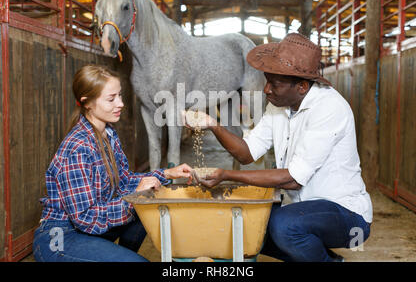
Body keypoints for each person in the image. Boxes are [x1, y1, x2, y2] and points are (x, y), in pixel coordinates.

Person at [183, 33, 372, 262]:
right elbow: (247, 153)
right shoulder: (279, 105)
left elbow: (293, 179)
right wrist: (212, 124)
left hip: (347, 215)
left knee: (283, 227)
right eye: (266, 81)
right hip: (304, 209)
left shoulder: (329, 108)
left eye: (275, 84)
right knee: (250, 224)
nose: (266, 90)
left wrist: (226, 175)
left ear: (302, 86)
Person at [33, 64, 193, 262]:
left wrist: (167, 174)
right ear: (87, 103)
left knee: (150, 201)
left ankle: (119, 256)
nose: (121, 104)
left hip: (86, 230)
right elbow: (85, 218)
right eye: (111, 99)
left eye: (120, 96)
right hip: (60, 237)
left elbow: (124, 182)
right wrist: (135, 197)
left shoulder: (108, 133)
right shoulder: (77, 148)